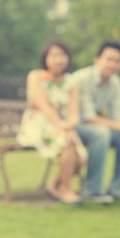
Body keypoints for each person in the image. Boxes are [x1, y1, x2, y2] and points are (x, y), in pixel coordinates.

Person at [72, 41, 120, 205]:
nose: (113, 64)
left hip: (91, 125)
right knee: (101, 133)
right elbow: (89, 117)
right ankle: (92, 190)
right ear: (97, 60)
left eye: (117, 61)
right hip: (72, 124)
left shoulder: (115, 83)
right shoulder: (82, 79)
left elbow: (117, 115)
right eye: (109, 59)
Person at [16, 41, 87, 204]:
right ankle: (66, 190)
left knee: (81, 158)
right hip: (37, 124)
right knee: (67, 141)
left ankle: (54, 185)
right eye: (54, 56)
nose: (59, 60)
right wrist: (61, 125)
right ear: (46, 58)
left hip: (61, 126)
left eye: (63, 56)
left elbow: (74, 113)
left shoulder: (71, 82)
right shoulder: (36, 76)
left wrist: (68, 125)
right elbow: (42, 104)